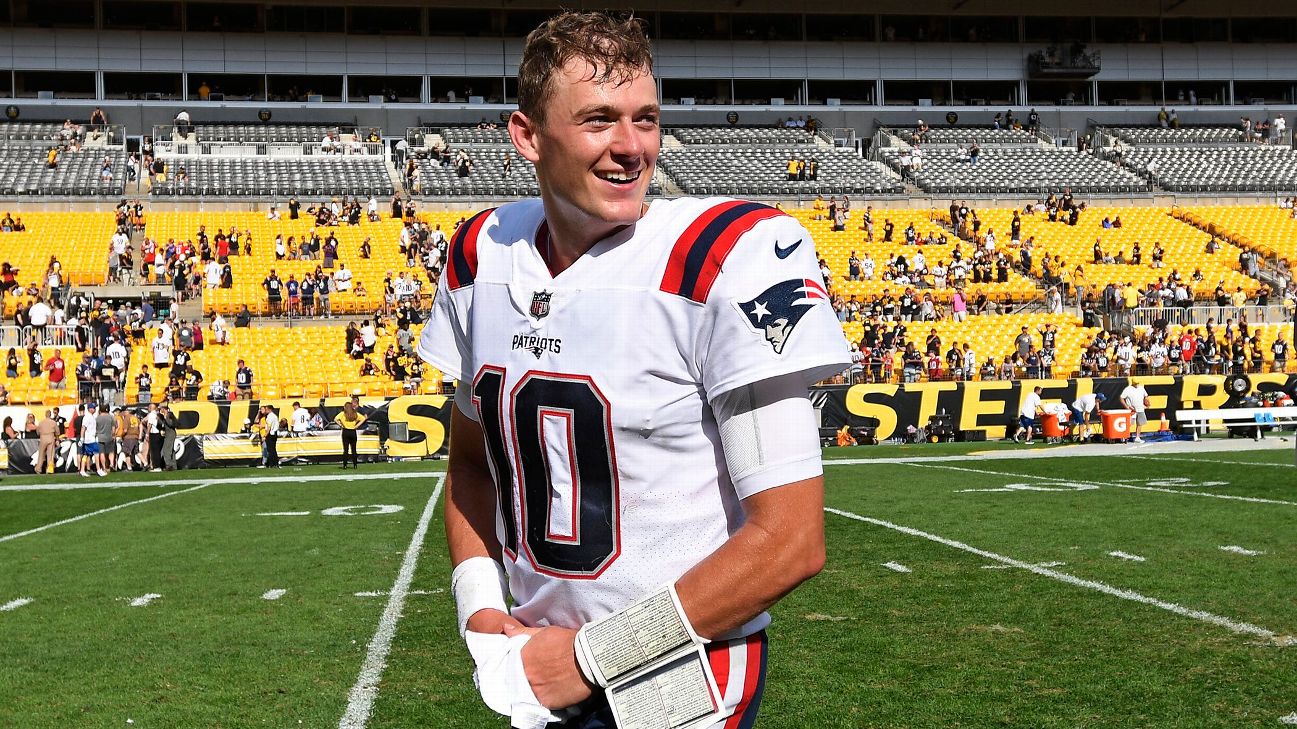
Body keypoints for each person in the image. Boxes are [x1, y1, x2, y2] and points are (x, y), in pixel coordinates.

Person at [417, 12, 849, 726]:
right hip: (533, 659)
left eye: (645, 119)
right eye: (597, 120)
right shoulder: (478, 255)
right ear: (527, 136)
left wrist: (589, 658)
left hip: (683, 677)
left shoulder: (721, 256)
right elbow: (471, 464)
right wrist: (480, 610)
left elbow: (791, 540)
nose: (630, 148)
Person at [335, 399, 367, 469]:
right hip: (353, 431)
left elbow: (335, 419)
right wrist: (357, 426)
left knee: (345, 450)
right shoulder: (355, 414)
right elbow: (364, 418)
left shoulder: (343, 414)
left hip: (345, 431)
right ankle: (355, 465)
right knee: (354, 449)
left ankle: (345, 465)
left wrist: (341, 425)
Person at [1120, 379, 1150, 444]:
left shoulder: (1141, 388)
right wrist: (1127, 407)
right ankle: (1123, 436)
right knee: (1129, 423)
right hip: (1132, 410)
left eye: (1137, 383)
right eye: (1135, 383)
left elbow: (1146, 396)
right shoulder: (1128, 389)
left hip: (1140, 409)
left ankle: (1137, 437)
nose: (1137, 385)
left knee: (1140, 423)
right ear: (1133, 383)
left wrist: (1147, 402)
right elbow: (1121, 398)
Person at [35, 409, 59, 475]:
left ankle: (38, 469)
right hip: (51, 437)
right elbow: (57, 432)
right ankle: (49, 469)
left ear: (45, 415)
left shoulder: (41, 422)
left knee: (41, 454)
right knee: (50, 455)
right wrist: (57, 439)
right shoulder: (53, 422)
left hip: (43, 438)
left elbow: (37, 432)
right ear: (50, 415)